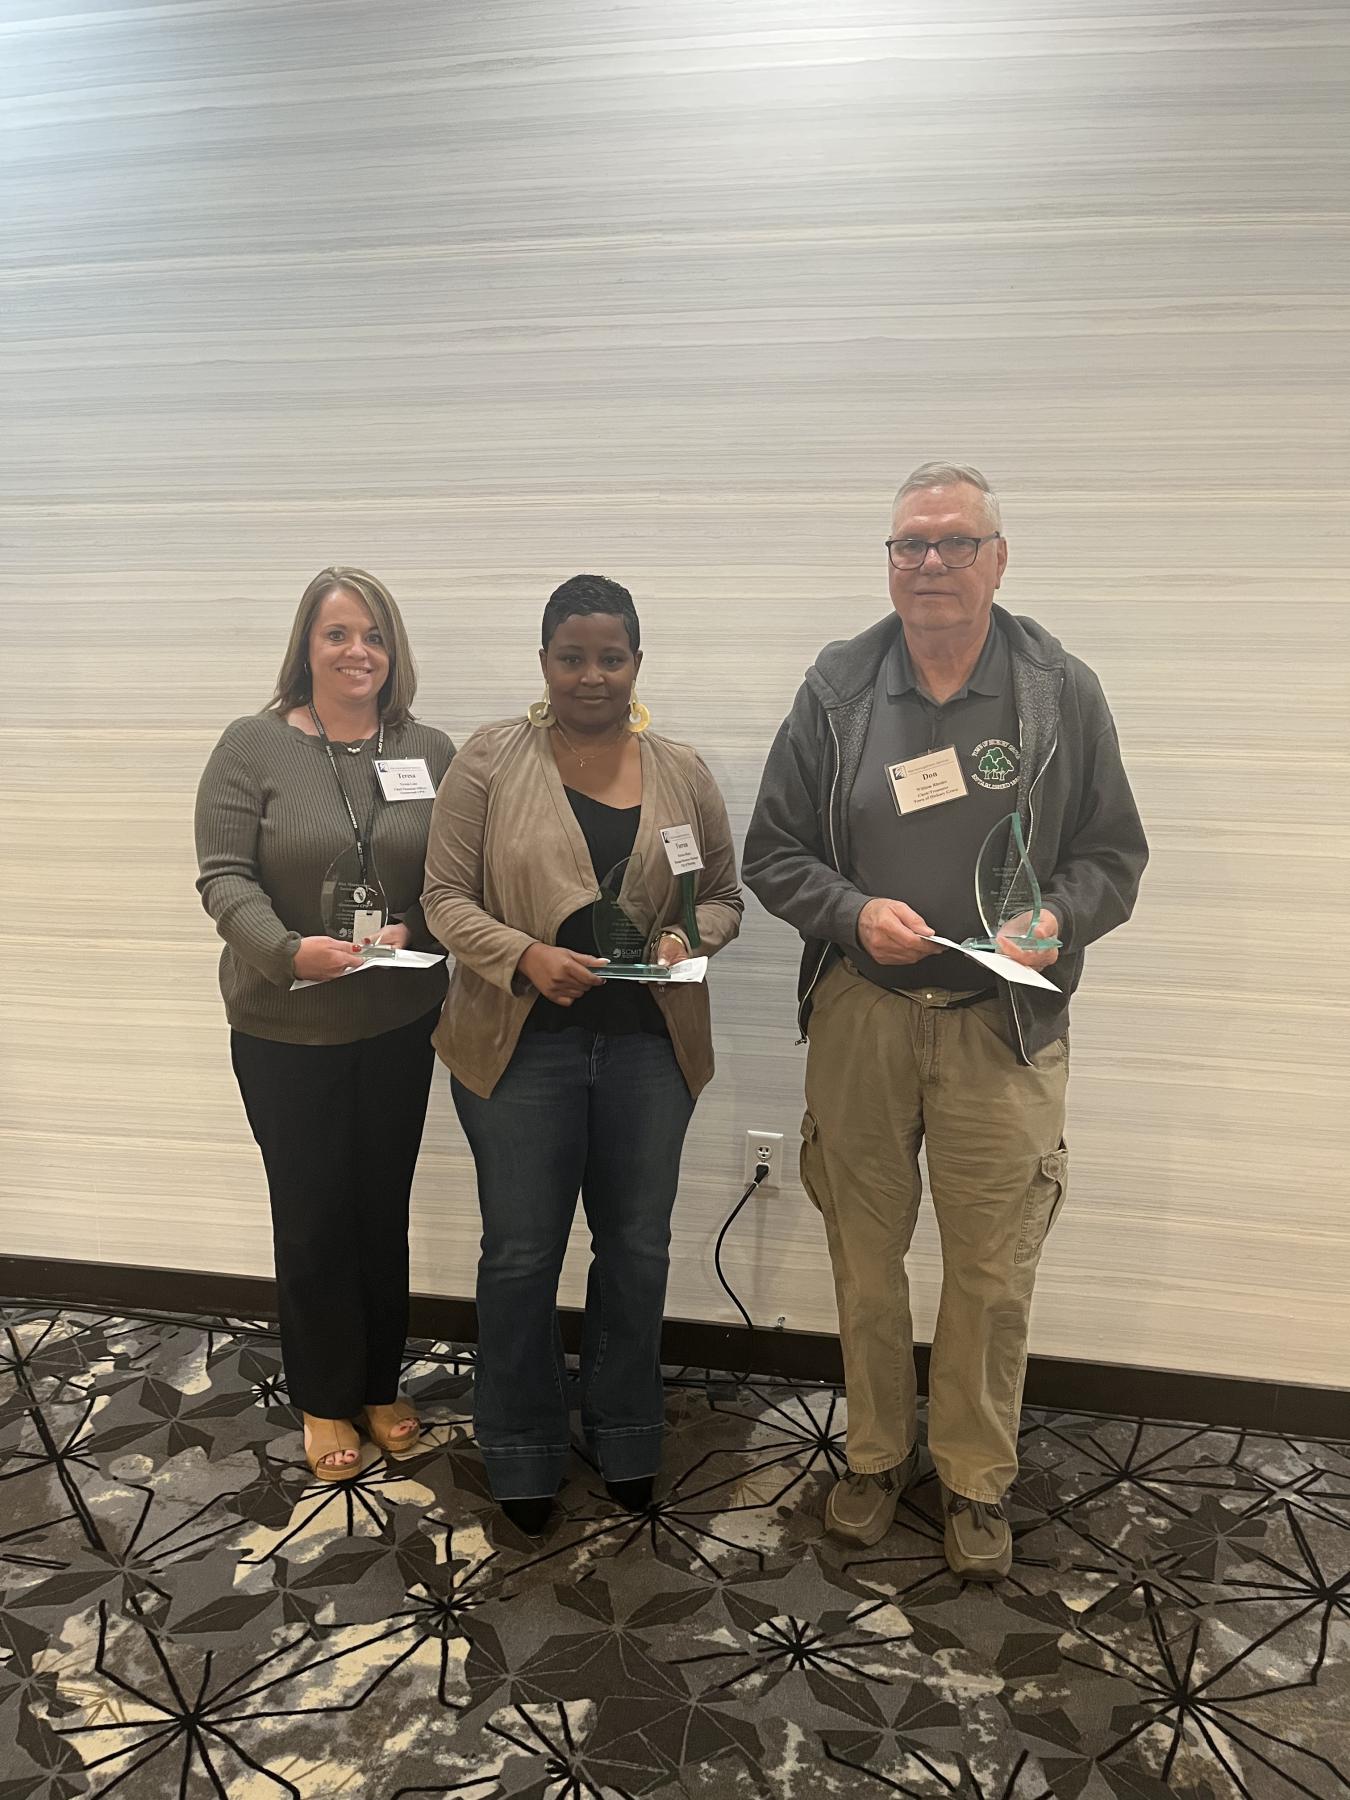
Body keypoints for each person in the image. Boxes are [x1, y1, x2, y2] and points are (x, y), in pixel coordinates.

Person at [743, 464, 1147, 1580]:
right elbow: (774, 853)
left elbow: (1115, 857)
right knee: (865, 1255)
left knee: (990, 1265)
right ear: (888, 561)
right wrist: (849, 912)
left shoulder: (1061, 689)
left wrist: (1056, 921)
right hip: (864, 1017)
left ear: (998, 558)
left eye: (955, 543)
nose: (930, 563)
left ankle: (973, 1479)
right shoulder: (837, 688)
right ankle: (874, 1455)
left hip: (1002, 1026)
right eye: (909, 544)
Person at [422, 573, 742, 1535]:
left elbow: (725, 894)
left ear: (637, 662)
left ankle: (625, 1426)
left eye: (611, 657)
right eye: (573, 657)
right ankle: (519, 1442)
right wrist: (523, 954)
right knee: (520, 1257)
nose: (592, 676)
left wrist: (696, 940)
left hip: (650, 1052)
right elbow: (444, 898)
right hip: (521, 1051)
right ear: (545, 663)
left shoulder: (681, 771)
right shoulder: (487, 762)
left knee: (637, 1250)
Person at [195, 567, 454, 1483]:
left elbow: (452, 881)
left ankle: (379, 1378)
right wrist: (285, 950)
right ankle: (322, 1393)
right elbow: (223, 875)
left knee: (381, 1208)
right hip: (285, 1026)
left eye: (374, 634)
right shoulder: (253, 745)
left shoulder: (427, 747)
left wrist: (411, 929)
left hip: (397, 1018)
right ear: (306, 645)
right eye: (338, 634)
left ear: (395, 650)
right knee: (312, 1215)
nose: (358, 652)